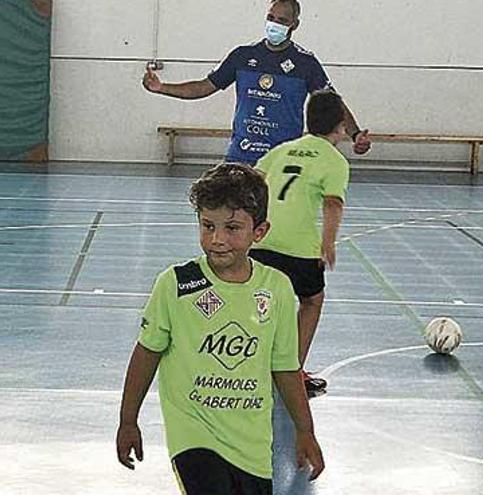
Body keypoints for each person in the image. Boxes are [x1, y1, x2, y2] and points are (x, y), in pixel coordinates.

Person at [116, 163, 324, 494]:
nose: (217, 239)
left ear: (260, 231)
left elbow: (285, 368)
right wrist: (128, 420)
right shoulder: (178, 284)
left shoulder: (277, 289)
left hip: (252, 445)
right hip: (194, 435)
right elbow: (147, 351)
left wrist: (305, 429)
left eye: (232, 228)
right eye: (208, 226)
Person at [142, 0, 370, 165]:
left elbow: (333, 103)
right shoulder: (242, 55)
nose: (274, 24)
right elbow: (204, 86)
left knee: (272, 224)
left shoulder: (305, 63)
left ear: (294, 24)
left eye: (282, 20)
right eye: (271, 18)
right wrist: (161, 87)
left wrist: (356, 134)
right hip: (241, 154)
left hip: (283, 159)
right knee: (232, 219)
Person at [250, 91, 351, 396]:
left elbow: (254, 180)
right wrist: (328, 243)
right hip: (299, 249)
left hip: (261, 241)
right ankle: (291, 373)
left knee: (259, 303)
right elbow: (333, 203)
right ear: (341, 126)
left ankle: (249, 365)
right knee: (311, 302)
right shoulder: (335, 160)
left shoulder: (282, 150)